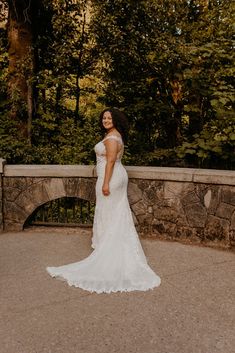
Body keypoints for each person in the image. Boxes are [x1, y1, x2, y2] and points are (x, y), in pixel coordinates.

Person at [46, 108, 161, 293]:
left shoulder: (112, 138)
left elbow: (110, 162)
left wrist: (105, 183)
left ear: (115, 120)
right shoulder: (114, 135)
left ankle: (108, 250)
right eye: (104, 117)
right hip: (116, 177)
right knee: (115, 212)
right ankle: (109, 245)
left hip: (112, 178)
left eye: (109, 118)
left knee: (109, 211)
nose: (106, 120)